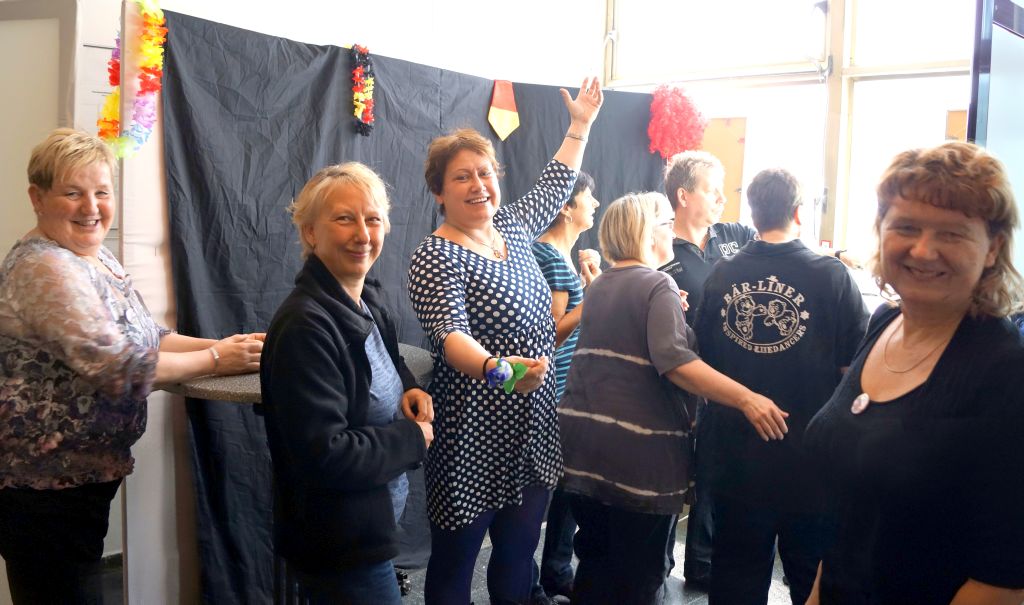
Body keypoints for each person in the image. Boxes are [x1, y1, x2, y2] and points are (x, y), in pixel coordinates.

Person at [0, 128, 263, 605]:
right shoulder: (44, 267)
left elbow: (149, 336)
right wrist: (217, 360)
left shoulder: (94, 255)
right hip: (43, 488)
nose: (91, 207)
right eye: (73, 193)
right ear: (37, 198)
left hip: (81, 479)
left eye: (102, 192)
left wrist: (225, 346)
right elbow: (119, 367)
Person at [407, 77, 602, 605]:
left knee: (518, 555)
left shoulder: (513, 227)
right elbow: (450, 336)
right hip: (470, 433)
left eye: (485, 172)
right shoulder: (435, 255)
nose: (478, 184)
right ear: (439, 192)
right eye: (461, 176)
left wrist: (580, 124)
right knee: (455, 566)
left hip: (532, 425)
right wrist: (501, 371)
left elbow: (556, 182)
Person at [805, 142, 1024, 604]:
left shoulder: (1007, 373)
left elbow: (1002, 582)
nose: (923, 250)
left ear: (993, 249)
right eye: (906, 227)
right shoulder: (885, 322)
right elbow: (852, 515)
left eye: (952, 234)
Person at [558, 191, 789, 605]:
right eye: (667, 225)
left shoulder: (602, 283)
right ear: (649, 233)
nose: (673, 234)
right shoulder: (657, 283)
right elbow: (675, 362)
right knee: (639, 575)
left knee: (596, 562)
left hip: (584, 451)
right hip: (637, 458)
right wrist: (746, 398)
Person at [261, 162, 434, 605]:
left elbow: (386, 358)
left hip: (369, 526)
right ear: (310, 232)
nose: (362, 234)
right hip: (338, 544)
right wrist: (411, 439)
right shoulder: (306, 327)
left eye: (373, 218)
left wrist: (408, 387)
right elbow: (327, 455)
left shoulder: (364, 299)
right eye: (344, 218)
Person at [693, 168, 868, 605]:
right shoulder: (832, 276)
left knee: (734, 582)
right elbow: (856, 371)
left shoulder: (720, 274)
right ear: (799, 212)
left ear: (752, 214)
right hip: (809, 461)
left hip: (735, 460)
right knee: (813, 583)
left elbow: (701, 362)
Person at [529, 171, 601, 604]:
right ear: (566, 207)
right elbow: (550, 334)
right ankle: (544, 575)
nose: (595, 204)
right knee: (548, 492)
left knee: (566, 488)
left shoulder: (564, 255)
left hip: (568, 389)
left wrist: (591, 281)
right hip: (551, 392)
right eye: (588, 197)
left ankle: (555, 570)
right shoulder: (548, 256)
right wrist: (592, 300)